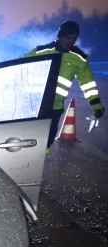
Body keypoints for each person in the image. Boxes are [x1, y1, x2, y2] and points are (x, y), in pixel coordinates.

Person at [24, 20, 104, 150]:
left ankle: (39, 165)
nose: (71, 41)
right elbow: (19, 68)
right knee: (28, 139)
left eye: (74, 38)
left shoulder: (79, 59)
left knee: (46, 142)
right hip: (34, 104)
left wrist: (96, 105)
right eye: (68, 37)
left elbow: (88, 84)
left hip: (55, 107)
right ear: (60, 36)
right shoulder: (41, 52)